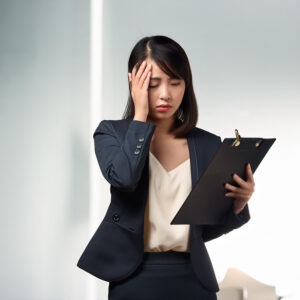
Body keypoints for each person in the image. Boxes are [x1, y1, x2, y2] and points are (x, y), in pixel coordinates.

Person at [77, 35, 255, 300]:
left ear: (187, 85)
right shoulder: (110, 133)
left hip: (194, 278)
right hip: (133, 277)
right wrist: (140, 115)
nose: (166, 94)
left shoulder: (207, 144)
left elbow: (204, 228)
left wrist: (239, 204)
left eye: (175, 82)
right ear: (134, 83)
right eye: (153, 84)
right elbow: (124, 178)